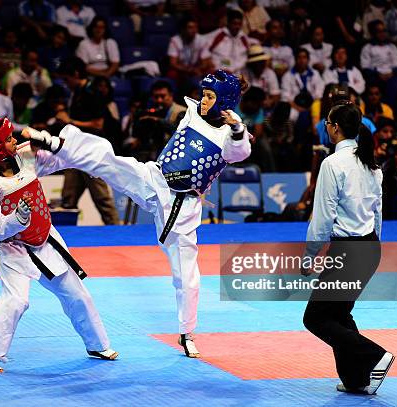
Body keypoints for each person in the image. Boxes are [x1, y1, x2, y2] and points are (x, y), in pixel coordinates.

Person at [22, 70, 252, 358]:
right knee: (108, 159)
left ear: (225, 101)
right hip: (154, 178)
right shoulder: (191, 112)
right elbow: (183, 113)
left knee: (186, 274)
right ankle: (53, 148)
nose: (203, 101)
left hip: (184, 205)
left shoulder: (230, 137)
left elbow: (240, 151)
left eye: (210, 96)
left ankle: (187, 332)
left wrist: (237, 127)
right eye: (203, 94)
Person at [0, 115, 117, 373]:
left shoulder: (26, 159)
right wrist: (17, 218)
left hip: (45, 239)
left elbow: (66, 158)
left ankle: (97, 345)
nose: (15, 140)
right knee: (16, 300)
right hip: (12, 249)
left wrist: (47, 140)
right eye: (8, 139)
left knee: (77, 294)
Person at [302, 101, 395, 395]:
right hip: (368, 247)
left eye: (328, 124)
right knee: (339, 315)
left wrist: (310, 254)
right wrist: (372, 247)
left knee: (315, 318)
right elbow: (377, 212)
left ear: (335, 128)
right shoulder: (372, 162)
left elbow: (323, 215)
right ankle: (356, 380)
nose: (326, 128)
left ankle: (375, 355)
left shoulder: (333, 163)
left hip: (349, 250)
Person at [56, 57, 120, 225]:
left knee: (102, 200)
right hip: (74, 153)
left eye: (66, 79)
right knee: (67, 201)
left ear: (76, 74)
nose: (65, 83)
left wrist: (69, 122)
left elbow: (98, 124)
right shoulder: (76, 93)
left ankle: (118, 232)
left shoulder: (93, 92)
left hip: (92, 154)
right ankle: (64, 238)